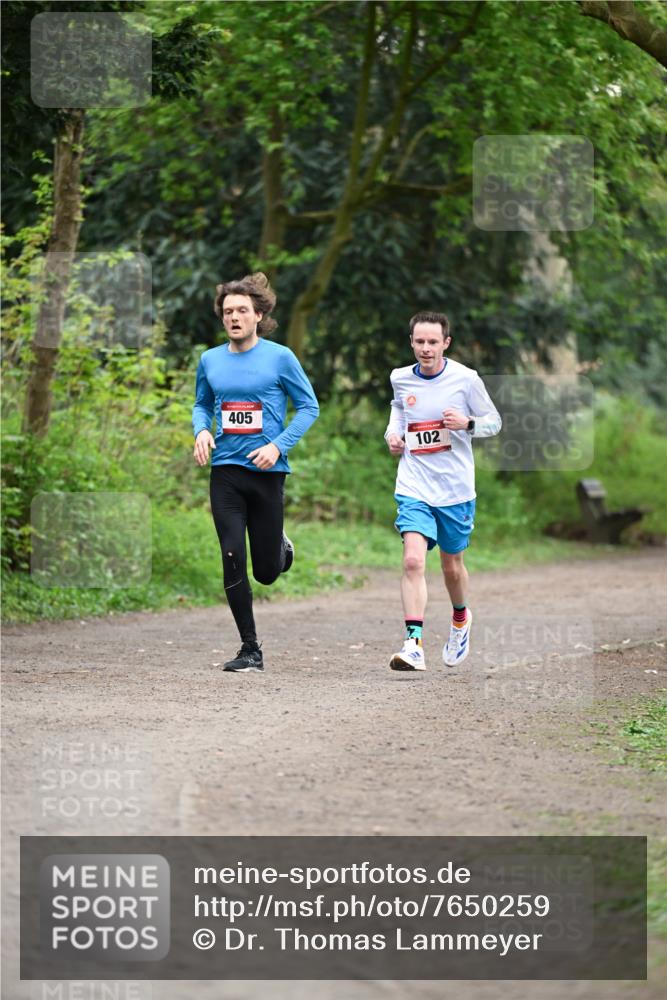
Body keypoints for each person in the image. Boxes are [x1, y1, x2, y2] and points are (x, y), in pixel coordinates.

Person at [193, 272, 319, 673]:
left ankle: (280, 548)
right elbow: (202, 403)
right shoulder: (210, 360)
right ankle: (250, 648)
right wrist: (201, 430)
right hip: (226, 472)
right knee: (231, 554)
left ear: (258, 315)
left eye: (242, 310)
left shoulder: (280, 357)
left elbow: (309, 407)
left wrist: (277, 445)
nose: (234, 317)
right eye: (228, 311)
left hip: (266, 472)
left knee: (265, 572)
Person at [385, 311, 501, 672]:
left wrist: (467, 423)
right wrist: (392, 434)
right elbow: (398, 413)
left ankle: (461, 618)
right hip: (414, 484)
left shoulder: (466, 379)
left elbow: (494, 423)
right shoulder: (400, 378)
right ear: (411, 343)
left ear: (445, 343)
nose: (425, 348)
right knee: (413, 560)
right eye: (419, 341)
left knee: (452, 567)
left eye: (433, 342)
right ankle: (413, 644)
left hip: (455, 490)